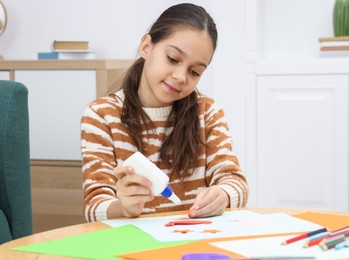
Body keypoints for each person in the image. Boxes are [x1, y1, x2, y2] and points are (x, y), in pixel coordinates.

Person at [81, 3, 248, 222]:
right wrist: (123, 208)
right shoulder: (102, 115)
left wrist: (223, 195)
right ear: (146, 46)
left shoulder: (207, 112)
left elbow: (235, 182)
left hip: (192, 245)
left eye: (195, 72)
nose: (181, 77)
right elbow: (94, 206)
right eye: (172, 58)